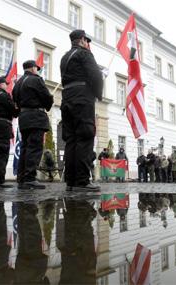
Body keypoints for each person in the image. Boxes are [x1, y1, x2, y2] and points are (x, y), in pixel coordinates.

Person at [60, 29, 103, 191]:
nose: (88, 44)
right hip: (82, 97)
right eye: (87, 41)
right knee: (85, 136)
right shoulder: (84, 54)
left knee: (71, 139)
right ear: (83, 40)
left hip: (67, 97)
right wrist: (98, 93)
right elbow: (95, 75)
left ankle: (70, 181)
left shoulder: (65, 57)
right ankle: (82, 181)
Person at [13, 60, 53, 190]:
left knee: (25, 147)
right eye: (37, 68)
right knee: (34, 147)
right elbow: (46, 96)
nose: (38, 70)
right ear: (33, 68)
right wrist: (49, 102)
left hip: (24, 117)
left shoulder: (18, 83)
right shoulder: (36, 80)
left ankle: (22, 178)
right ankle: (30, 178)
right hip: (36, 116)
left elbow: (15, 99)